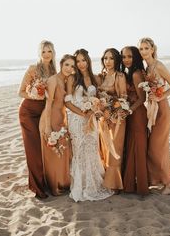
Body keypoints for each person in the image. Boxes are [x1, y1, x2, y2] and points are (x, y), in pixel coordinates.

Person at [65, 49, 113, 202]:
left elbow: (99, 99)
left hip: (91, 120)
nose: (81, 64)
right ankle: (81, 185)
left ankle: (94, 185)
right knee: (79, 152)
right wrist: (82, 112)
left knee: (92, 150)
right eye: (78, 61)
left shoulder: (95, 78)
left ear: (88, 61)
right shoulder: (72, 78)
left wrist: (97, 109)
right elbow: (67, 102)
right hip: (77, 120)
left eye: (83, 60)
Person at [138, 37, 170, 195]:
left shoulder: (158, 65)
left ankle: (169, 184)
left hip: (162, 110)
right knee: (154, 147)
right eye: (141, 49)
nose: (143, 51)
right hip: (152, 110)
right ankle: (159, 180)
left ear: (153, 49)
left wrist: (160, 97)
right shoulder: (146, 68)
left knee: (158, 147)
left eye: (146, 48)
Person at [18, 40, 56, 199]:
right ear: (39, 53)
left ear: (53, 52)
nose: (47, 54)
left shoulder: (54, 70)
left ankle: (45, 181)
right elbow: (20, 92)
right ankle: (37, 187)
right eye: (44, 52)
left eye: (49, 51)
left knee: (44, 148)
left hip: (43, 112)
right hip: (28, 112)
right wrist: (34, 94)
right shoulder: (33, 69)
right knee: (33, 149)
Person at [39, 54, 75, 196]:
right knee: (54, 153)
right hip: (50, 118)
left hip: (61, 118)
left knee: (63, 150)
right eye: (67, 64)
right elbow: (48, 104)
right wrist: (48, 126)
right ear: (61, 64)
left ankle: (63, 183)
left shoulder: (67, 80)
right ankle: (55, 186)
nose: (69, 68)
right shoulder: (53, 80)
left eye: (72, 66)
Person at [97, 48, 127, 193]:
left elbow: (123, 98)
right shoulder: (101, 76)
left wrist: (113, 109)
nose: (107, 61)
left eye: (111, 58)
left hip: (117, 119)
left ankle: (114, 184)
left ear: (116, 60)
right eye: (105, 58)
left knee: (114, 150)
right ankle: (107, 181)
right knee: (105, 149)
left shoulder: (119, 76)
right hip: (104, 119)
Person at [121, 46, 149, 195]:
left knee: (138, 148)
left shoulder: (136, 74)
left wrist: (130, 110)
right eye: (124, 57)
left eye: (129, 57)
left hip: (137, 114)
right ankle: (131, 184)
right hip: (132, 113)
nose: (126, 60)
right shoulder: (128, 72)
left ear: (135, 58)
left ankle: (142, 186)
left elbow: (142, 98)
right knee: (132, 147)